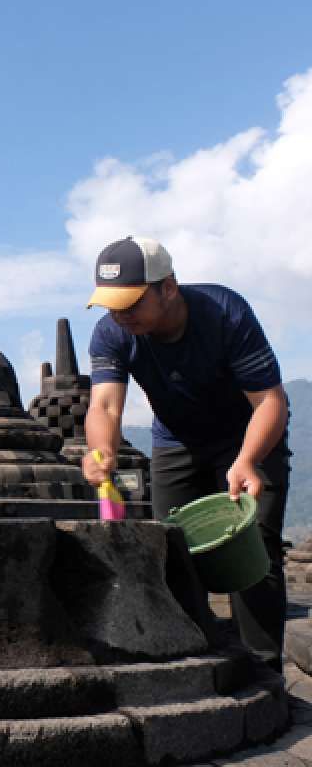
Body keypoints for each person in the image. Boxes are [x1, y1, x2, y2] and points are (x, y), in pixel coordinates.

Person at [82, 236, 290, 670]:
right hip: (176, 442)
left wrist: (247, 460)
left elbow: (270, 401)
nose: (121, 315)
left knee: (255, 551)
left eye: (132, 303)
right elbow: (103, 405)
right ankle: (198, 662)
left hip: (248, 435)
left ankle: (264, 670)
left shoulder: (224, 313)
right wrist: (101, 451)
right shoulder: (112, 333)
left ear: (169, 287)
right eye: (112, 305)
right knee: (171, 550)